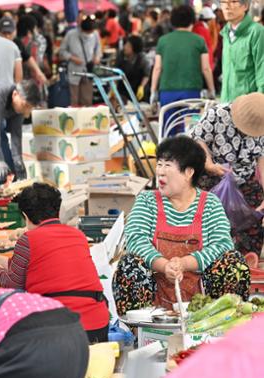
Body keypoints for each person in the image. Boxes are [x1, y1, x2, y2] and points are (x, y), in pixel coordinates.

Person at [112, 136, 250, 315]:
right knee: (129, 264)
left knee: (233, 263)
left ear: (188, 172)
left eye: (167, 165)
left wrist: (185, 263)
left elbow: (222, 244)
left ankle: (222, 330)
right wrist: (164, 265)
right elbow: (135, 240)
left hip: (203, 299)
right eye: (159, 164)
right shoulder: (147, 200)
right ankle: (141, 332)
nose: (160, 171)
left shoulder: (210, 203)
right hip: (154, 298)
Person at [0, 183, 110, 342]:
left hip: (59, 329)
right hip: (97, 324)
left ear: (25, 217)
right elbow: (39, 268)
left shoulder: (28, 240)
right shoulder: (78, 235)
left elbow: (14, 284)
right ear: (58, 212)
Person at [191, 92, 264, 256]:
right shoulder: (218, 114)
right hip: (211, 174)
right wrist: (208, 163)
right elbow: (198, 138)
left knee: (254, 217)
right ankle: (209, 256)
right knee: (209, 215)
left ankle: (245, 260)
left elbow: (262, 161)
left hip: (245, 177)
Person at [150, 5, 216, 110]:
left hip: (167, 91)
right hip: (191, 91)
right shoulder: (199, 40)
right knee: (190, 125)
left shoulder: (163, 41)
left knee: (169, 124)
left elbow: (157, 68)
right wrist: (211, 90)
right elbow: (206, 68)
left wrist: (153, 91)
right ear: (192, 20)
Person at [0, 80, 42, 185]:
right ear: (15, 94)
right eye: (26, 106)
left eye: (30, 108)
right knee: (0, 169)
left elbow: (16, 133)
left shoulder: (19, 106)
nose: (27, 112)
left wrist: (18, 159)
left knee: (12, 172)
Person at [219, 0, 264, 102]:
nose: (227, 6)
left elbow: (262, 72)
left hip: (248, 106)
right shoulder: (225, 33)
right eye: (223, 2)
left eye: (233, 2)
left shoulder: (257, 32)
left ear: (245, 6)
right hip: (226, 103)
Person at [59, 15, 102, 107]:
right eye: (87, 32)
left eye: (91, 32)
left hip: (88, 70)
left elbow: (98, 48)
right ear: (81, 29)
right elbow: (62, 51)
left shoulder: (95, 34)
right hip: (74, 70)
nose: (89, 34)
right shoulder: (71, 34)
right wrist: (72, 58)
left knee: (87, 100)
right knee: (74, 100)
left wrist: (97, 57)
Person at [115, 35, 150, 101]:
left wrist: (141, 87)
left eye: (128, 46)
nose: (125, 47)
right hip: (123, 89)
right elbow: (116, 74)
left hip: (137, 89)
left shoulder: (143, 59)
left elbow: (146, 75)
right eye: (125, 45)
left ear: (135, 48)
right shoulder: (120, 56)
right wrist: (113, 89)